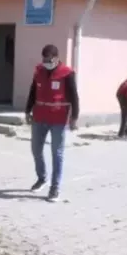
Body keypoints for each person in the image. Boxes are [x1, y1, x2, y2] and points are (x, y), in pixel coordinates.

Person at [24, 44, 79, 202]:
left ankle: (55, 188)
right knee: (36, 149)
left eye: (48, 59)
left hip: (58, 119)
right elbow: (33, 91)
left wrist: (74, 117)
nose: (45, 62)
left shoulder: (67, 73)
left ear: (56, 58)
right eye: (43, 59)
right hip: (39, 116)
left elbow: (74, 96)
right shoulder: (39, 71)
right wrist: (27, 111)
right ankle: (42, 178)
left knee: (57, 153)